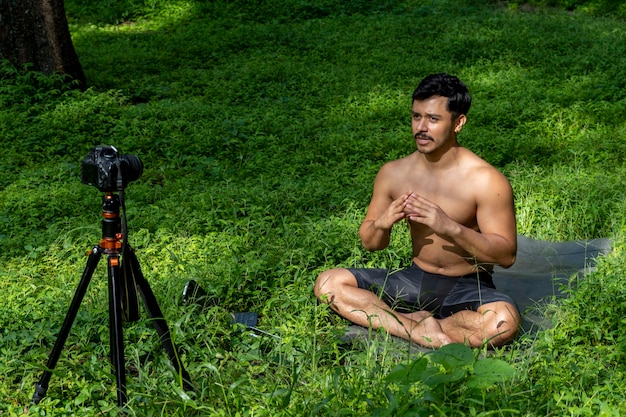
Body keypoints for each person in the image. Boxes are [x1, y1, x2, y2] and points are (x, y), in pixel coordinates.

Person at [314, 73, 521, 349]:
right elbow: (369, 242)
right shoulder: (394, 173)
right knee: (329, 282)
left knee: (503, 322)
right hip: (414, 279)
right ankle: (416, 329)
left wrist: (450, 227)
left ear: (458, 123)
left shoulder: (486, 180)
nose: (421, 128)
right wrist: (382, 224)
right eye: (416, 117)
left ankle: (403, 323)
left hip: (469, 284)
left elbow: (506, 255)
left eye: (433, 119)